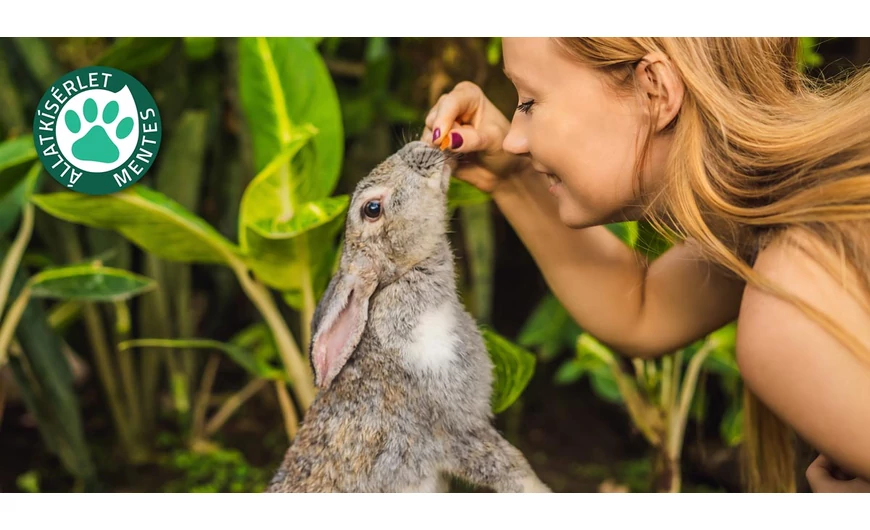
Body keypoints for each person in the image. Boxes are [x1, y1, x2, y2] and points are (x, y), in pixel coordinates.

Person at [421, 37, 870, 493]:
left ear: (655, 91)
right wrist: (512, 180)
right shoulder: (782, 218)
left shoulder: (793, 306)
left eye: (530, 103)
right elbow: (644, 311)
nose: (514, 140)